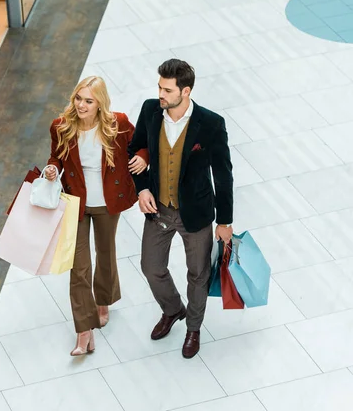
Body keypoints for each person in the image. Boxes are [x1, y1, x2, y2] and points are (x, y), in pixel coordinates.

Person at [128, 59, 233, 359]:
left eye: (167, 89)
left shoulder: (211, 124)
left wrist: (225, 221)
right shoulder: (150, 111)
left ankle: (194, 329)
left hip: (196, 214)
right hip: (159, 209)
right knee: (151, 266)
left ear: (185, 91)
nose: (160, 94)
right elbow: (135, 149)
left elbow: (224, 175)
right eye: (159, 87)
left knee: (198, 273)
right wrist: (143, 187)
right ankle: (173, 310)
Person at [46, 76, 148, 356]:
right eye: (78, 98)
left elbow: (143, 144)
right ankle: (84, 331)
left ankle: (103, 300)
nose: (81, 104)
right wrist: (51, 169)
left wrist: (143, 157)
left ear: (100, 103)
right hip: (75, 203)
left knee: (105, 253)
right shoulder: (61, 127)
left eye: (88, 100)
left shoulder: (118, 124)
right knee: (78, 268)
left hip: (107, 202)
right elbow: (55, 157)